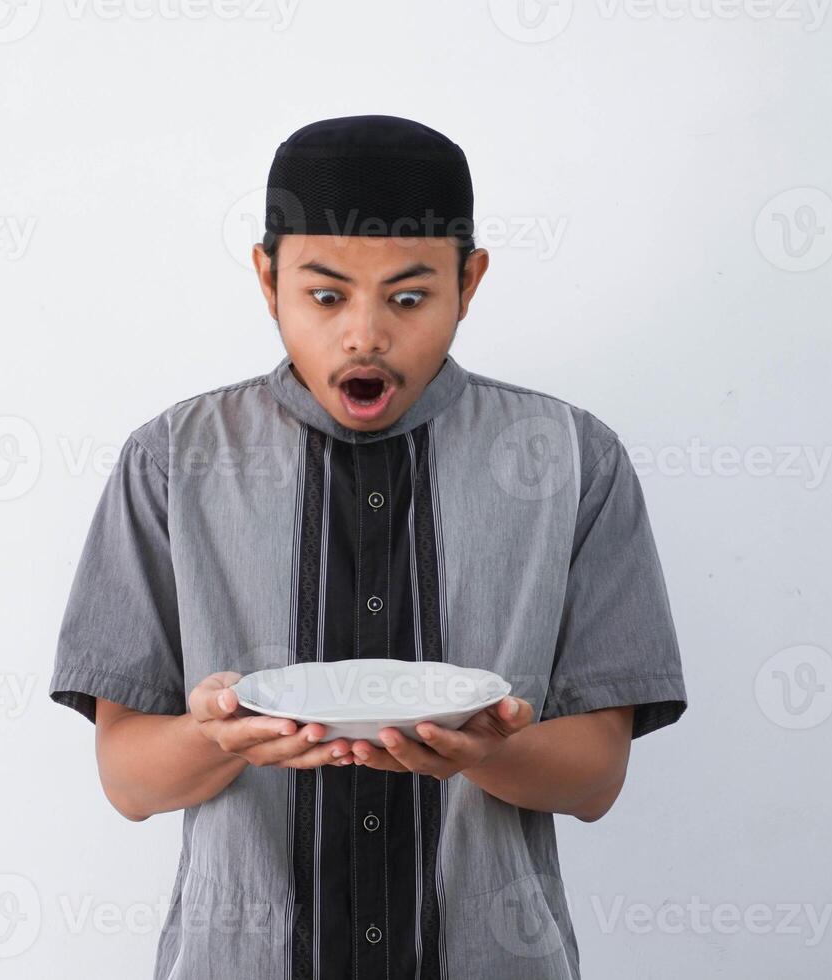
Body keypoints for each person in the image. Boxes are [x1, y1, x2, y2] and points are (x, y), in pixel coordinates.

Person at [49, 114, 688, 980]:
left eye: (410, 297)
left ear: (471, 281)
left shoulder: (574, 460)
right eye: (324, 295)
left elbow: (596, 779)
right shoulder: (171, 461)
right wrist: (219, 738)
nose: (364, 334)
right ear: (266, 279)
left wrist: (490, 749)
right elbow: (128, 781)